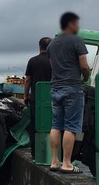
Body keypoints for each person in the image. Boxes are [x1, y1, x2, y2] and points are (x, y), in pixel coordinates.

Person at [47, 12, 90, 173]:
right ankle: (67, 163)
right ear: (70, 24)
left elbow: (53, 67)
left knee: (56, 125)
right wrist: (86, 77)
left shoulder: (51, 44)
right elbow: (84, 66)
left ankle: (54, 161)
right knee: (71, 126)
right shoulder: (77, 41)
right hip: (72, 87)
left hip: (56, 87)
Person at [24, 37, 52, 158]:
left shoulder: (33, 61)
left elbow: (28, 79)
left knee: (35, 125)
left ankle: (35, 153)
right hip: (52, 97)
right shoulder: (55, 61)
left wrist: (26, 95)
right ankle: (52, 154)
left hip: (36, 98)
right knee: (52, 125)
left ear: (39, 47)